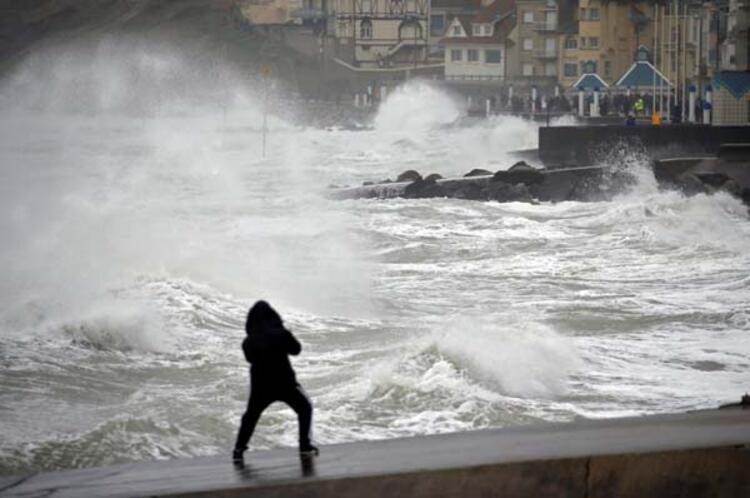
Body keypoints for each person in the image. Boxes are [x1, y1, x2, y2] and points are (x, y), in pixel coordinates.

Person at [233, 301, 318, 462]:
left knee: (250, 416)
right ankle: (304, 446)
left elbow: (250, 359)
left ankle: (238, 449)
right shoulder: (281, 334)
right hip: (285, 383)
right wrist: (287, 333)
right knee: (304, 408)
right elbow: (296, 350)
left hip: (261, 386)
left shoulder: (248, 341)